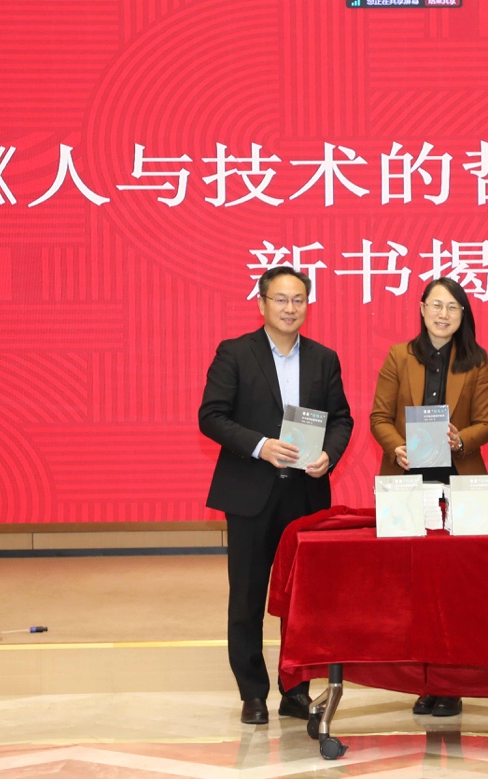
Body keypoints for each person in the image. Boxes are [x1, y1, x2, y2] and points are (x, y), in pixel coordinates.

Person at [199, 266, 354, 726]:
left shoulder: (324, 358)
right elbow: (212, 416)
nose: (290, 308)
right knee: (247, 598)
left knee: (301, 601)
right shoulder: (235, 353)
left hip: (305, 495)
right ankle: (252, 693)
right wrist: (261, 446)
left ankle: (295, 690)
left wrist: (329, 454)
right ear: (262, 303)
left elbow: (341, 419)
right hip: (251, 494)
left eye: (299, 299)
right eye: (281, 299)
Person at [370, 277, 488, 717]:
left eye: (453, 307)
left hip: (458, 481)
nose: (444, 314)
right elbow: (379, 417)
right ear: (422, 309)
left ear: (463, 315)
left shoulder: (476, 360)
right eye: (436, 305)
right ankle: (425, 682)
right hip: (408, 479)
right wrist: (396, 447)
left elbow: (487, 424)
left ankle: (452, 683)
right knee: (415, 588)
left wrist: (461, 439)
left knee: (456, 588)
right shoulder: (399, 356)